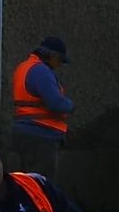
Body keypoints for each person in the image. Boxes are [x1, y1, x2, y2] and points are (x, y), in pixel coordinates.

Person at [9, 37, 73, 180]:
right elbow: (56, 103)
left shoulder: (24, 67)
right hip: (41, 137)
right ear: (52, 56)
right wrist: (70, 105)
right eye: (60, 60)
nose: (59, 65)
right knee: (42, 185)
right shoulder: (41, 71)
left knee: (26, 184)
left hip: (25, 134)